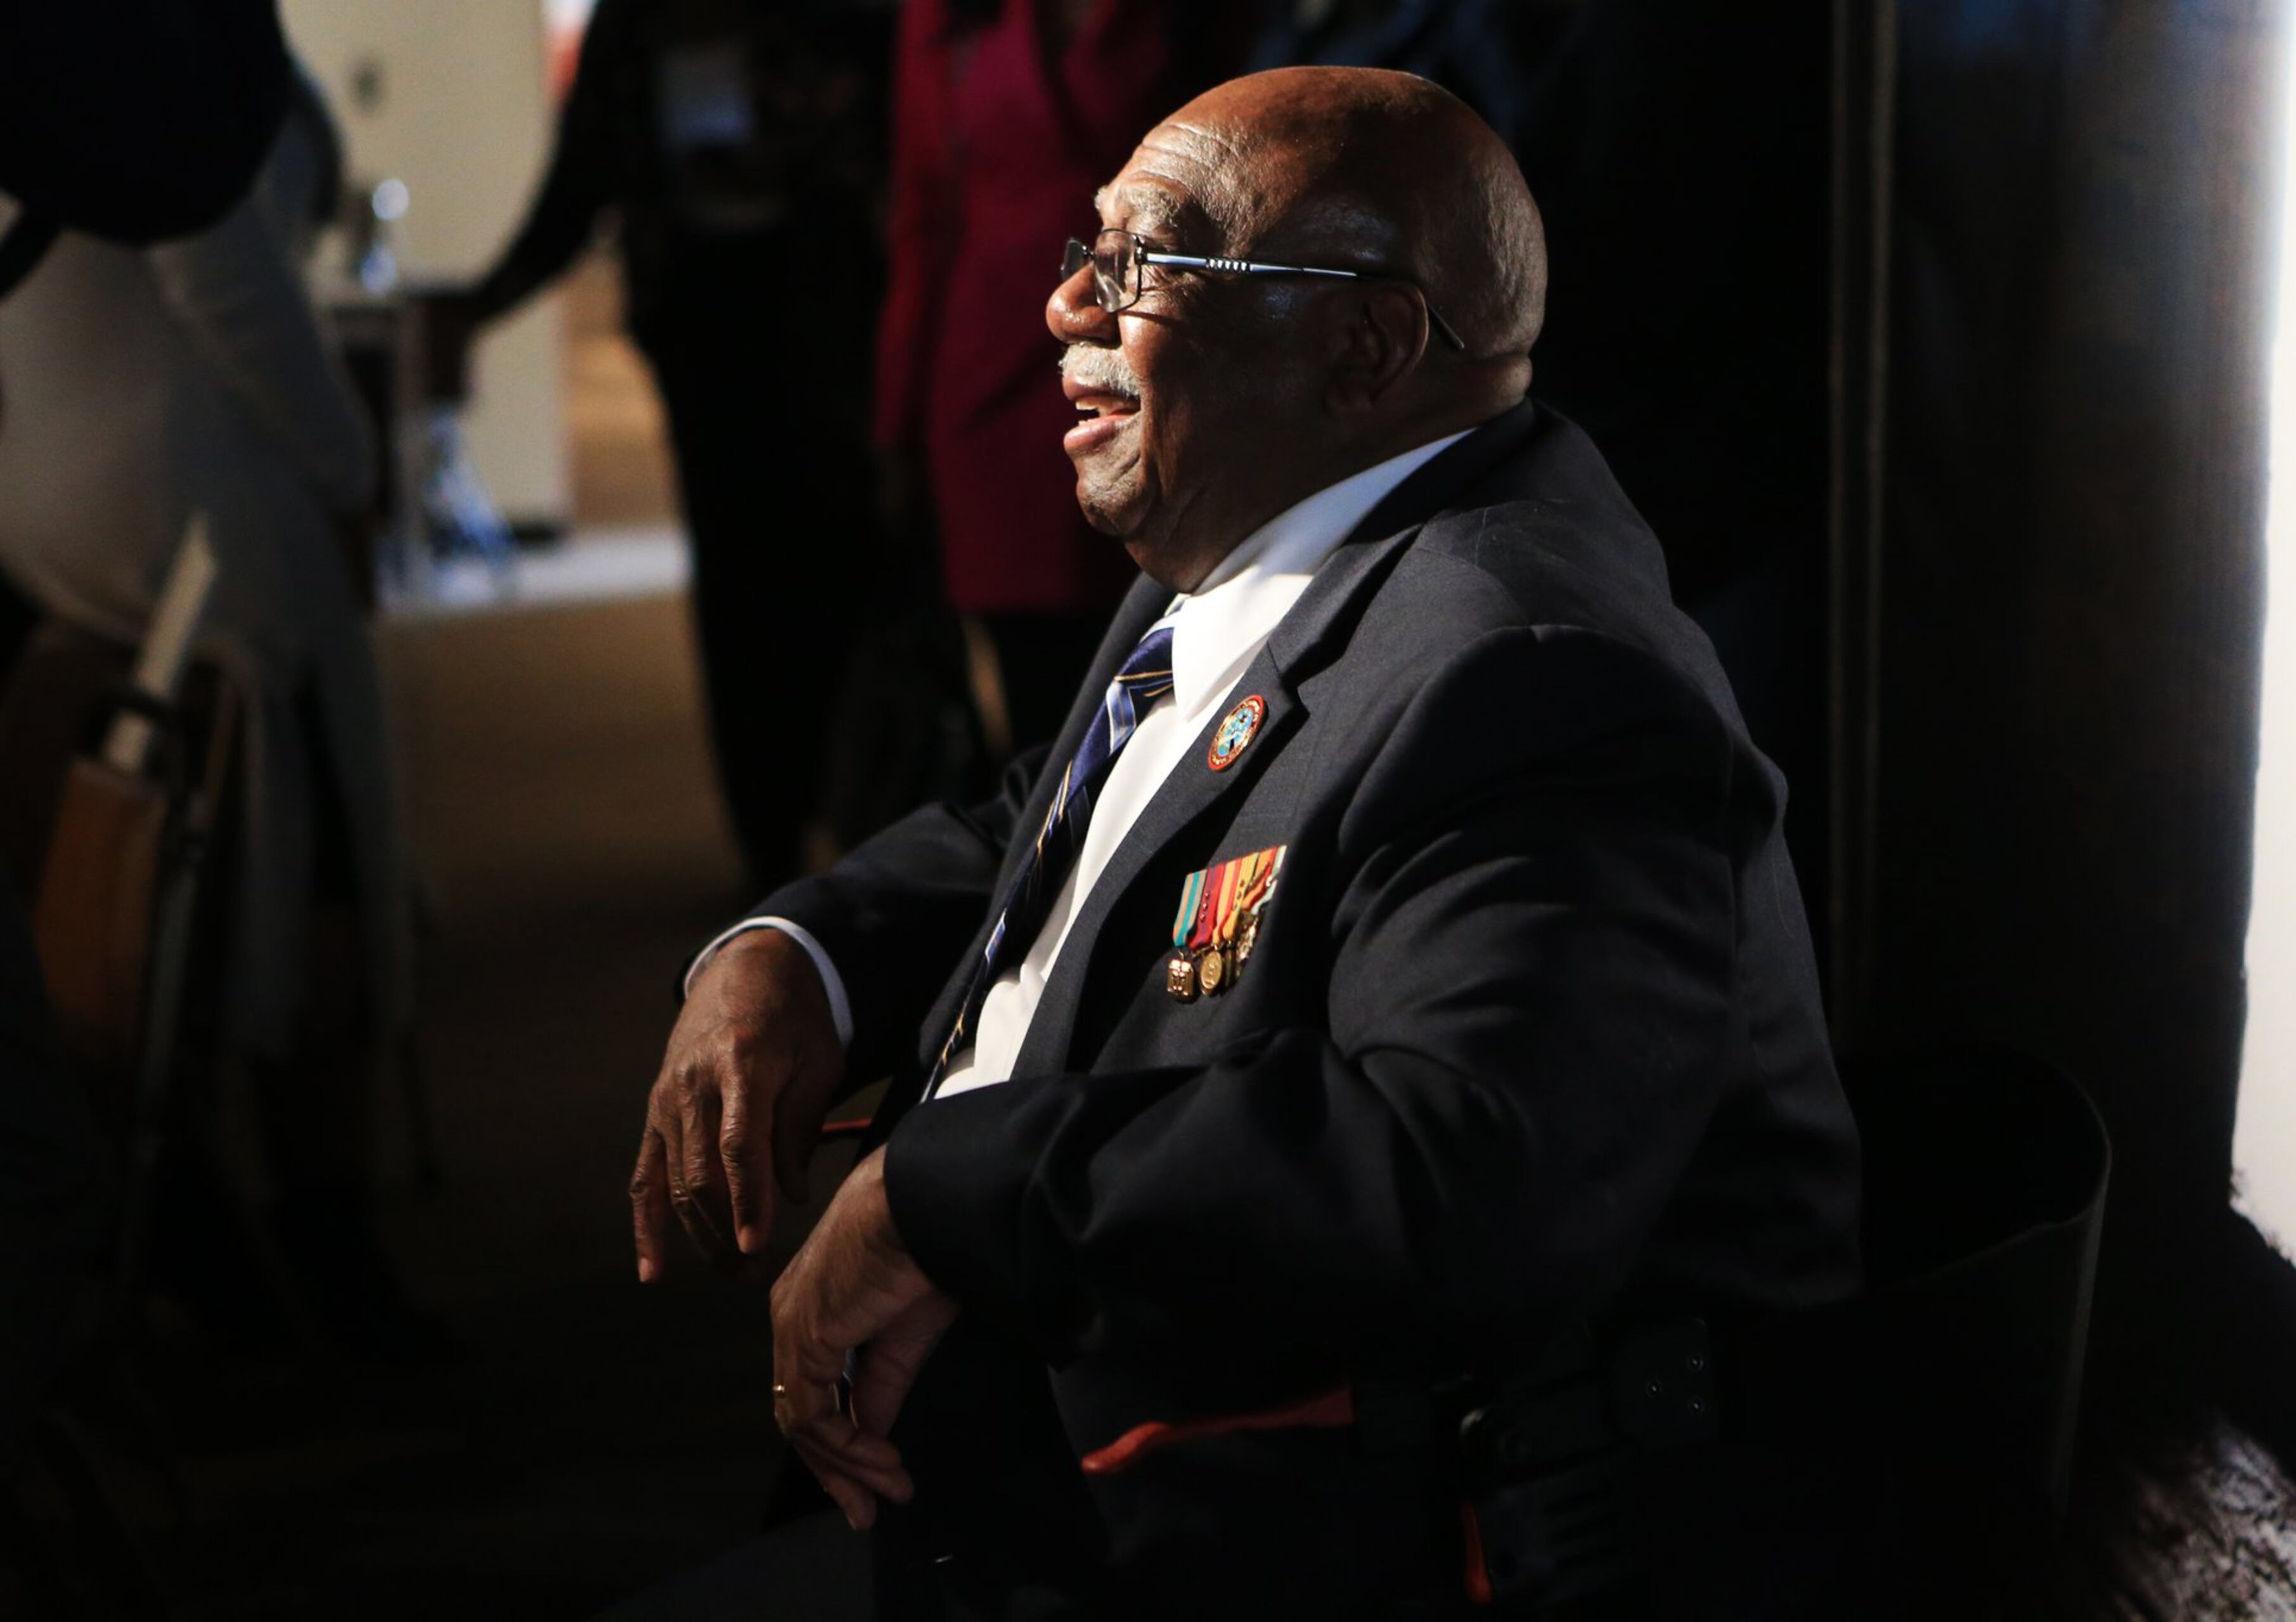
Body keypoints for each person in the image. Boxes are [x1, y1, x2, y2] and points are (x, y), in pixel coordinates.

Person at [633, 67, 1861, 1616]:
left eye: (1141, 262)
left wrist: (944, 1186)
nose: (1064, 304)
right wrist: (798, 953)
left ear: (1365, 343)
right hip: (1051, 1456)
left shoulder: (1533, 674)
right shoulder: (1283, 530)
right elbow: (1080, 816)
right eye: (1084, 248)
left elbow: (1458, 1175)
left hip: (1293, 1533)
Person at [0, 68, 431, 1359]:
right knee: (313, 871)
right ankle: (313, 1236)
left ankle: (226, 1220)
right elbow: (221, 271)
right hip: (189, 495)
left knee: (206, 864)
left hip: (58, 481)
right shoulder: (141, 36)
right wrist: (350, 456)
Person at [429, 0, 892, 896]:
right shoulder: (639, 22)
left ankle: (859, 818)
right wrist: (483, 304)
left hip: (832, 333)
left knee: (842, 572)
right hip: (704, 335)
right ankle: (769, 836)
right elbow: (580, 183)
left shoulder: (845, 17)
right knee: (736, 587)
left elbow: (902, 151)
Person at [874, 0, 1251, 757]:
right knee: (1030, 689)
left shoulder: (1197, 21)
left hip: (1150, 355)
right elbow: (925, 219)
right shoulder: (944, 16)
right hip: (990, 377)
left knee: (1165, 649)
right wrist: (896, 421)